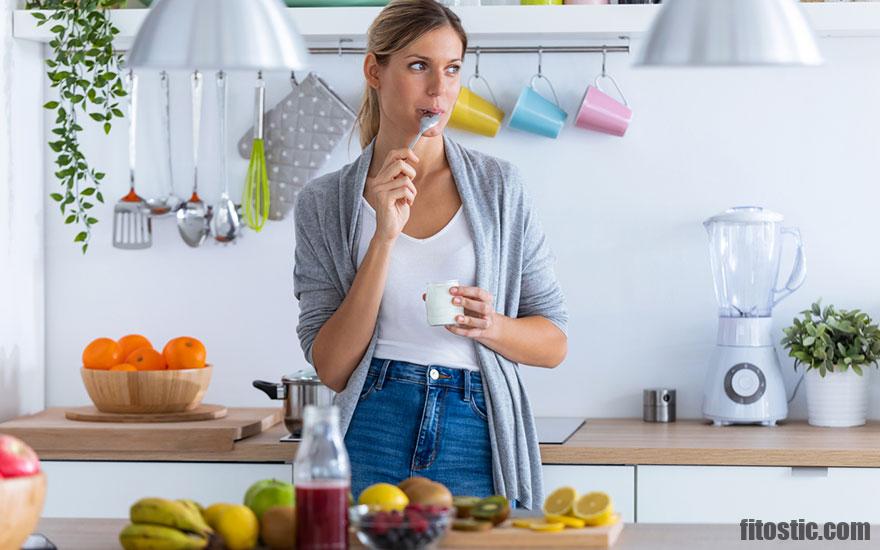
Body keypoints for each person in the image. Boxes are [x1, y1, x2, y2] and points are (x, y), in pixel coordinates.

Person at [293, 0, 568, 509]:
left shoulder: (499, 188)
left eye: (452, 68)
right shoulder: (324, 202)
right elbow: (331, 368)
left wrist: (492, 327)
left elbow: (553, 342)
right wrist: (383, 236)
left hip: (476, 426)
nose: (439, 89)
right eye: (419, 66)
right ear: (375, 70)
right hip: (371, 418)